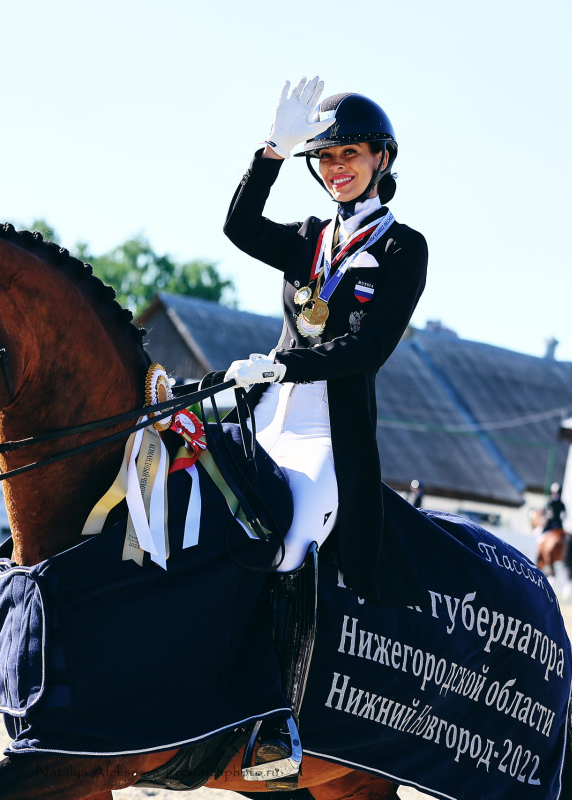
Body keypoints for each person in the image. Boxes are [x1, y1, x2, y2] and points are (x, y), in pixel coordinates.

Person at [222, 76, 428, 604]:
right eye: (326, 157)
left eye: (350, 153)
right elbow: (239, 227)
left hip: (327, 432)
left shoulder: (404, 248)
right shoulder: (307, 238)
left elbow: (370, 348)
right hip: (267, 410)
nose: (336, 166)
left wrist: (284, 366)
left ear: (381, 159)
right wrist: (274, 152)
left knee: (290, 549)